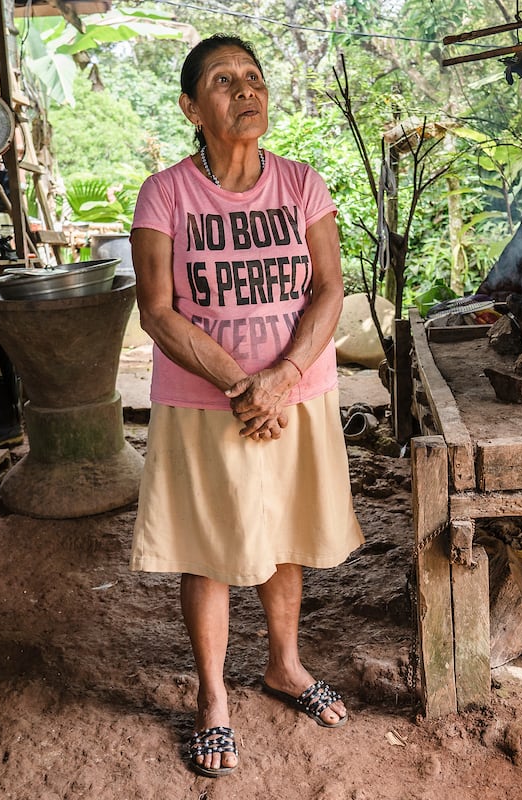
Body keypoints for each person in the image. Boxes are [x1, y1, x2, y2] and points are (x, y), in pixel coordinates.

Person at [129, 34, 365, 779]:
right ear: (191, 108)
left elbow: (329, 289)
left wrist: (285, 376)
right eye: (224, 81)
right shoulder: (165, 193)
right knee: (210, 544)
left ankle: (284, 666)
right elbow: (157, 312)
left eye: (254, 78)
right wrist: (243, 383)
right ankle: (211, 699)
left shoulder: (302, 184)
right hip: (208, 403)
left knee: (285, 532)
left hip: (296, 396)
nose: (245, 91)